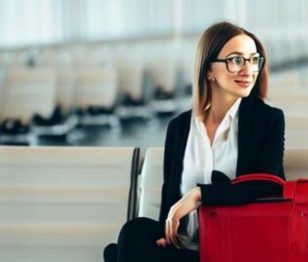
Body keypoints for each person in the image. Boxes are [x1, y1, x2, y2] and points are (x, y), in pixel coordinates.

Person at [103, 21, 285, 262]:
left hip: (235, 250)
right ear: (209, 70)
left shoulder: (268, 120)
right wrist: (166, 237)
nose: (248, 70)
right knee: (132, 232)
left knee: (120, 253)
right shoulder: (178, 128)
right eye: (236, 60)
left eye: (254, 60)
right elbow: (171, 204)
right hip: (186, 251)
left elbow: (267, 185)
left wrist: (200, 195)